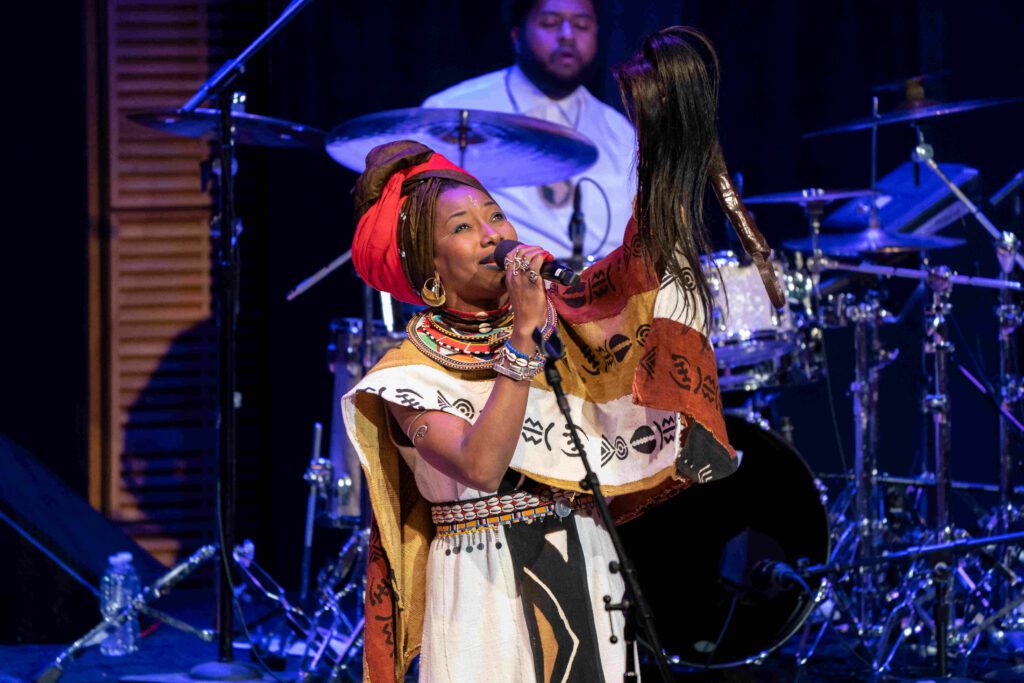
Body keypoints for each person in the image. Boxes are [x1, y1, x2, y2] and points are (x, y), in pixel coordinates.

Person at [345, 26, 738, 683]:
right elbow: (481, 463)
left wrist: (664, 141)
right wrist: (524, 339)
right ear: (430, 274)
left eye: (495, 215)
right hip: (484, 591)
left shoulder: (556, 322)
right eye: (463, 228)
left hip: (583, 562)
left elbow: (637, 276)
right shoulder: (404, 378)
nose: (493, 233)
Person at [421, 0, 635, 262]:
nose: (568, 35)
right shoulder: (452, 111)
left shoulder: (620, 132)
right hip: (498, 291)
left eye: (582, 25)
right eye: (550, 23)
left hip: (604, 292)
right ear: (516, 34)